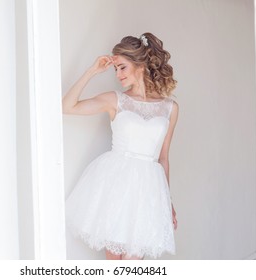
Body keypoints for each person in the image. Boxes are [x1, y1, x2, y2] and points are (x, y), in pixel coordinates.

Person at [62, 32, 179, 260]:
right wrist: (92, 71)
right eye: (115, 69)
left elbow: (163, 158)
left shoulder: (170, 108)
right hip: (116, 186)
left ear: (141, 65)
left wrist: (167, 202)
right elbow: (67, 106)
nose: (117, 75)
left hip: (148, 192)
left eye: (122, 67)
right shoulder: (116, 100)